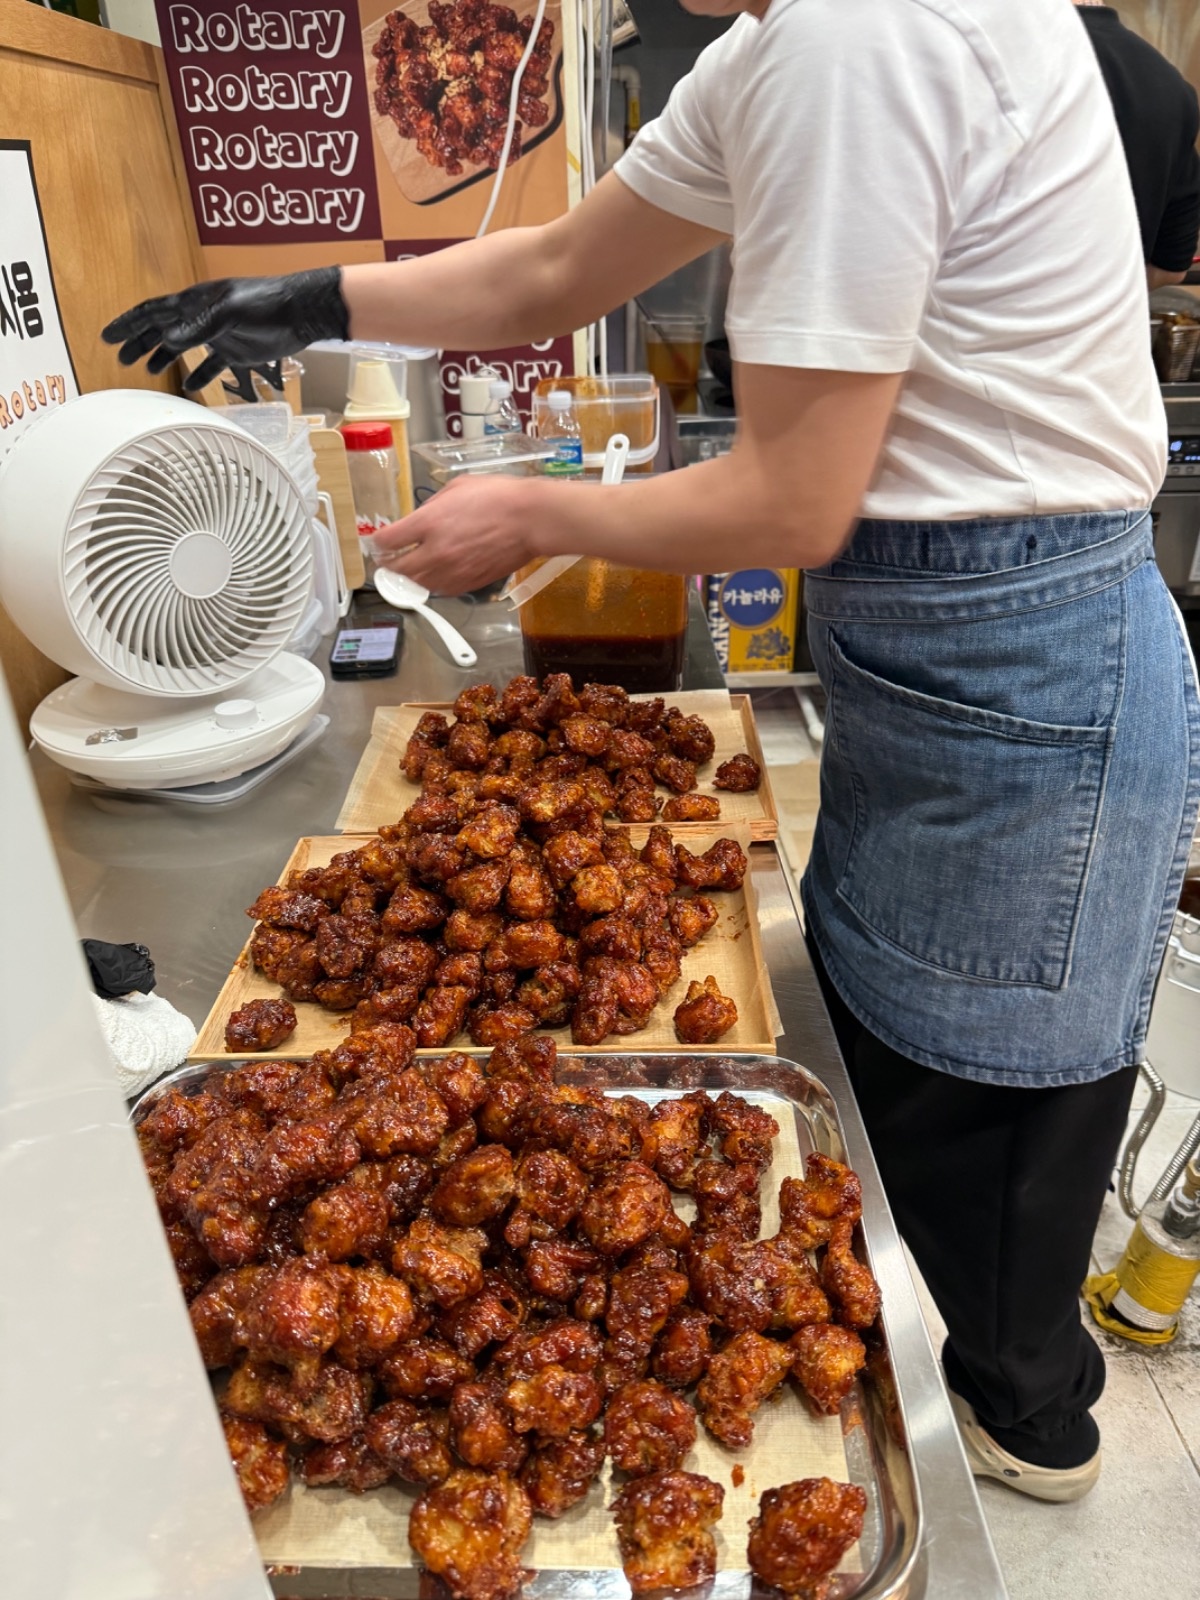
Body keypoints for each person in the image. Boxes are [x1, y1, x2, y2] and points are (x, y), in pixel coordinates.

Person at [104, 0, 1200, 1503]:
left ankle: (1025, 1424)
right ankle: (981, 1377)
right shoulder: (773, 53)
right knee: (893, 1072)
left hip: (1025, 660)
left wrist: (536, 508)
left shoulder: (858, 34)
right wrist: (317, 299)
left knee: (989, 1113)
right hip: (931, 654)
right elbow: (562, 265)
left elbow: (798, 501)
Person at [1074, 1, 1200, 289]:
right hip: (1109, 327)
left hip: (985, 326)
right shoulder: (1171, 85)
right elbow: (1171, 266)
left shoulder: (987, 61)